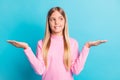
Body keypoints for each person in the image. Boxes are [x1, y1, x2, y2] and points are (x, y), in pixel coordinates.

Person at [7, 6, 107, 80]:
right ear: (48, 22)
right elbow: (39, 70)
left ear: (65, 21)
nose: (57, 22)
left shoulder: (72, 43)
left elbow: (76, 70)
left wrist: (86, 47)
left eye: (60, 19)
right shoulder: (41, 43)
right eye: (53, 19)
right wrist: (27, 49)